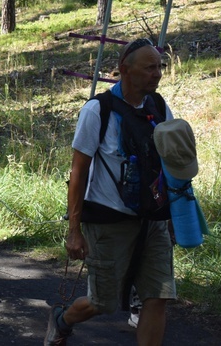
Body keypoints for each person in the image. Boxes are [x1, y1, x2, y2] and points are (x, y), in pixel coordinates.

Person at [44, 38, 175, 346]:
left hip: (152, 220)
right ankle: (62, 319)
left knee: (158, 296)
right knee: (104, 302)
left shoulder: (159, 106)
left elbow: (169, 162)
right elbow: (78, 173)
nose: (157, 74)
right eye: (149, 68)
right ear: (124, 70)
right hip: (106, 222)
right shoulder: (97, 111)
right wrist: (74, 230)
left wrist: (174, 217)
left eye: (160, 67)